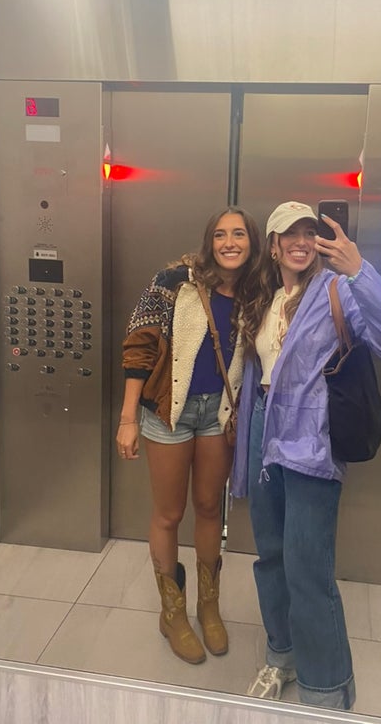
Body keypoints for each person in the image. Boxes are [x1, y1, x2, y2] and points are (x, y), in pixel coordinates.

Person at [231, 201, 381, 709]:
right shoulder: (265, 298)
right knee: (271, 556)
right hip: (264, 431)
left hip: (311, 439)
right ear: (273, 246)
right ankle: (282, 655)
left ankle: (326, 689)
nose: (300, 241)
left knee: (307, 566)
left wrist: (359, 270)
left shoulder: (338, 289)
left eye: (308, 232)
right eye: (288, 234)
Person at [116, 206, 261, 665]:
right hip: (168, 413)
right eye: (220, 234)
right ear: (209, 241)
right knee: (169, 513)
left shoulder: (258, 291)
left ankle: (208, 606)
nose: (229, 242)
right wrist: (127, 418)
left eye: (239, 234)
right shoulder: (174, 281)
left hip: (218, 414)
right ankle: (173, 612)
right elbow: (139, 343)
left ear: (253, 242)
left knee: (209, 508)